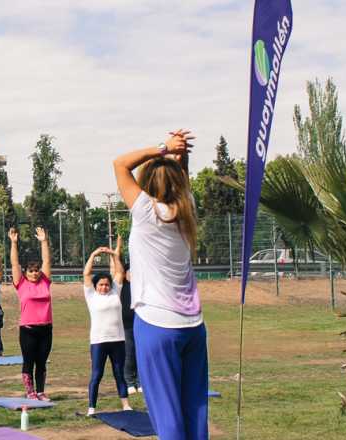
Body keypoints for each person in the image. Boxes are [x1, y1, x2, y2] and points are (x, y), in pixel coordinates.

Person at [114, 129, 207, 439]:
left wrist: (164, 148)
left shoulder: (146, 211)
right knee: (194, 410)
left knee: (167, 414)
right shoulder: (186, 211)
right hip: (193, 325)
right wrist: (182, 158)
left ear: (148, 185)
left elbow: (120, 164)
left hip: (157, 323)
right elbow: (183, 184)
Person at [81, 246, 132, 416]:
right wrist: (94, 254)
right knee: (97, 375)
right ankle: (91, 408)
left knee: (119, 373)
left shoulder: (115, 292)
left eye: (106, 284)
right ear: (95, 286)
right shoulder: (91, 296)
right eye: (101, 285)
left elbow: (119, 272)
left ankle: (125, 404)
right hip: (98, 342)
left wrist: (113, 255)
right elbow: (86, 274)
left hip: (117, 340)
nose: (104, 287)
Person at [8, 226, 54, 401]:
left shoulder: (45, 281)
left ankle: (40, 391)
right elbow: (14, 263)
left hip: (46, 329)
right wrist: (13, 243)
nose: (34, 273)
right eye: (31, 271)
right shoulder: (21, 284)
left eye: (36, 271)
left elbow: (47, 262)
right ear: (25, 273)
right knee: (29, 361)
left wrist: (44, 241)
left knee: (41, 362)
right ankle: (30, 392)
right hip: (28, 330)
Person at [116, 239, 140, 394]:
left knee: (141, 353)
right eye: (129, 271)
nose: (131, 274)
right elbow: (117, 262)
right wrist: (119, 246)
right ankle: (129, 382)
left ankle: (140, 381)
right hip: (126, 325)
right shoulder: (121, 285)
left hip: (141, 323)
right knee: (129, 354)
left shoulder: (141, 285)